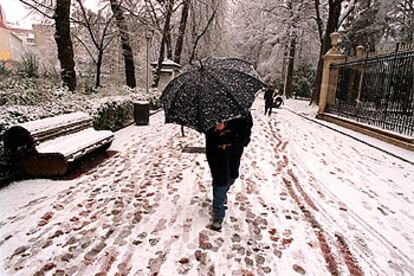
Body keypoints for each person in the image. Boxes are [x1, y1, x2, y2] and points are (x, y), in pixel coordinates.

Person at [205, 112, 253, 231]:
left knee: (232, 176)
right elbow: (204, 128)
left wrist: (242, 140)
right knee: (219, 180)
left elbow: (247, 126)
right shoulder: (210, 108)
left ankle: (222, 194)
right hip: (216, 151)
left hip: (234, 151)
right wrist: (215, 129)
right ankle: (218, 214)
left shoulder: (240, 109)